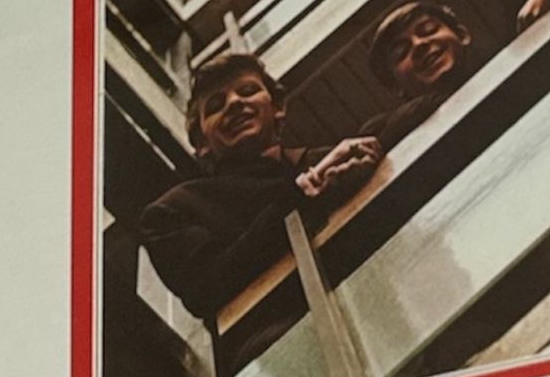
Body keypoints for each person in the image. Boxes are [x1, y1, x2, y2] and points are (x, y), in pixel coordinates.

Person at [139, 53, 382, 321]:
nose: (234, 102)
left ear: (277, 107)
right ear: (201, 143)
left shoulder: (336, 158)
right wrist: (302, 192)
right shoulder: (173, 210)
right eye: (216, 106)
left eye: (247, 91)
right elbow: (206, 289)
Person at [362, 1, 477, 149]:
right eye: (401, 52)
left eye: (429, 30)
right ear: (395, 86)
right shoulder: (385, 132)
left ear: (461, 34)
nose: (418, 44)